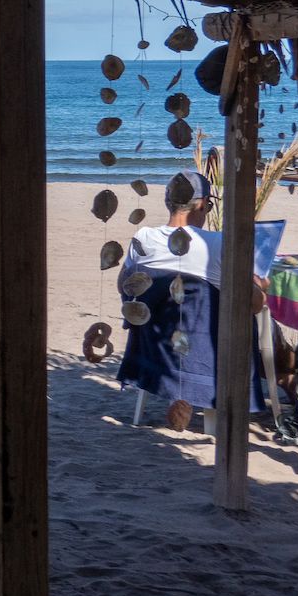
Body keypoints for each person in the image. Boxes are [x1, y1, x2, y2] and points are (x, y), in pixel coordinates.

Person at [117, 171, 222, 431]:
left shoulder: (143, 238)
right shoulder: (218, 244)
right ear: (201, 204)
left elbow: (124, 286)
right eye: (209, 205)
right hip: (207, 352)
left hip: (154, 349)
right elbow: (247, 301)